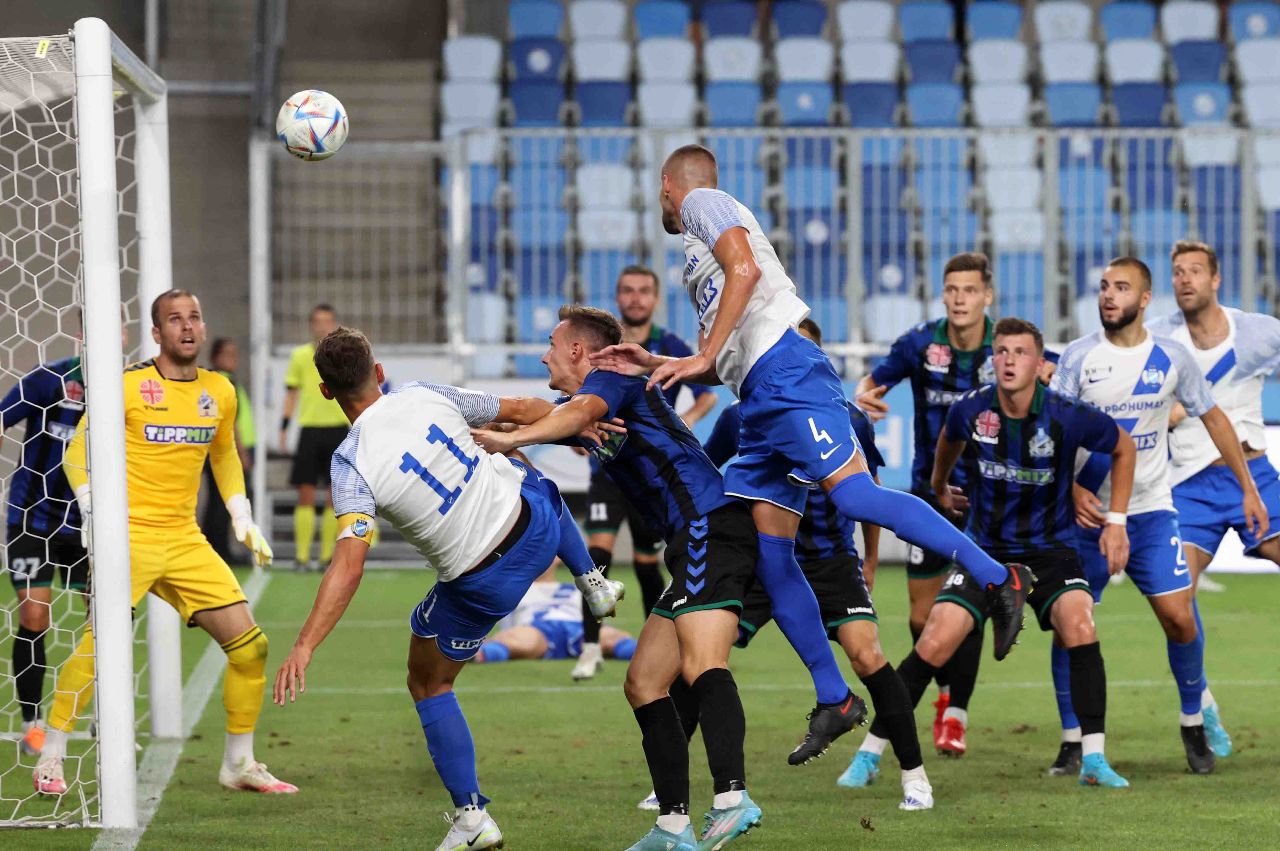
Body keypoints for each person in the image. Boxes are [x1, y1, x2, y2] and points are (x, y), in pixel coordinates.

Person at [590, 144, 1032, 765]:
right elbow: (730, 358)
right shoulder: (700, 253)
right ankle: (835, 697)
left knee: (853, 495)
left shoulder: (702, 204)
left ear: (669, 186)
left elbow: (744, 274)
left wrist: (695, 356)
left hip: (790, 378)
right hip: (761, 395)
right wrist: (662, 362)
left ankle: (999, 576)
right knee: (769, 551)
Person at [272, 326, 623, 851]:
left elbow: (348, 567)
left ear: (325, 392)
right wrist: (581, 423)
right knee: (520, 468)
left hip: (482, 583)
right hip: (537, 527)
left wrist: (304, 644)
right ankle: (591, 579)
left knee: (428, 683)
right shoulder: (421, 392)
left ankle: (471, 816)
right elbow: (523, 408)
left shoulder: (349, 463)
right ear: (379, 372)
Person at [471, 306, 767, 851]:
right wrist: (475, 426)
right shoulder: (592, 409)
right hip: (694, 541)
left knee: (704, 663)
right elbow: (542, 412)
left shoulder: (611, 381)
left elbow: (568, 413)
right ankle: (674, 827)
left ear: (579, 351)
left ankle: (731, 798)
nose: (544, 354)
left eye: (553, 344)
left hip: (709, 529)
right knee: (644, 684)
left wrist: (515, 442)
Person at [852, 318, 1135, 788]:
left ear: (1040, 363)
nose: (1007, 360)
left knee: (1080, 623)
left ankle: (1094, 759)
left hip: (1050, 550)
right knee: (934, 641)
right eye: (1001, 351)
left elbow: (1123, 447)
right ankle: (869, 753)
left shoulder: (1065, 413)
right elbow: (948, 440)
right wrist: (940, 486)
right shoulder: (971, 409)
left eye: (1020, 353)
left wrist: (1118, 522)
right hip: (987, 554)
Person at [36, 290, 287, 796]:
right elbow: (78, 450)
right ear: (157, 333)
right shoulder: (127, 385)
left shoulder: (220, 389)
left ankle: (239, 764)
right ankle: (52, 753)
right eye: (175, 319)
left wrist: (241, 515)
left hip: (184, 540)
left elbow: (224, 457)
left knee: (251, 648)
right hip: (127, 537)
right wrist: (90, 512)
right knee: (101, 643)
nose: (188, 327)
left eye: (194, 316)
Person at [705, 318, 933, 811]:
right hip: (767, 562)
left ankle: (914, 775)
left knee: (868, 656)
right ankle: (667, 784)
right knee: (703, 652)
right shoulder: (740, 416)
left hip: (830, 562)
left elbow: (868, 492)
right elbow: (708, 474)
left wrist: (870, 561)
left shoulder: (850, 419)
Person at [1051, 257, 1268, 775]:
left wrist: (1248, 487)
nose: (1109, 295)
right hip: (1086, 516)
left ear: (1144, 300)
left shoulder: (1170, 357)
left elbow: (1213, 417)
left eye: (1121, 288)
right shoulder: (1079, 358)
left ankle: (1194, 719)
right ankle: (1072, 737)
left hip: (1150, 512)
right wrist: (1068, 493)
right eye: (1103, 286)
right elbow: (1051, 434)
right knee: (1071, 624)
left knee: (1178, 615)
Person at [854, 253, 1001, 755]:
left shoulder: (1005, 349)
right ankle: (944, 695)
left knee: (968, 605)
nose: (960, 298)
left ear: (987, 296)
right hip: (929, 495)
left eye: (970, 290)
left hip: (986, 497)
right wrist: (864, 397)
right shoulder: (921, 343)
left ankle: (954, 714)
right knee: (922, 619)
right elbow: (870, 384)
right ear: (943, 294)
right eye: (952, 289)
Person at [1146, 240, 1280, 758]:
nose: (1185, 279)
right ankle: (1201, 703)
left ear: (1216, 280)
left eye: (1195, 271)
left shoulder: (1258, 331)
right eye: (1177, 271)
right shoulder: (1159, 337)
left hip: (1254, 475)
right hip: (1188, 486)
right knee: (1176, 606)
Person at [575, 264, 717, 682]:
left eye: (643, 291)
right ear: (618, 298)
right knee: (594, 557)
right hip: (609, 471)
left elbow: (707, 395)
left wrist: (683, 423)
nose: (636, 298)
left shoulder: (668, 346)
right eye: (628, 291)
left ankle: (665, 643)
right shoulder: (604, 348)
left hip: (651, 478)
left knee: (645, 562)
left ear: (655, 299)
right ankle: (588, 648)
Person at [1, 321, 96, 757]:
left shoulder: (126, 389)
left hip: (87, 523)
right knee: (36, 616)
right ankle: (32, 724)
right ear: (83, 333)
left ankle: (101, 719)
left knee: (103, 621)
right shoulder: (50, 379)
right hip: (31, 518)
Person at [280, 304, 346, 571]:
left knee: (335, 496)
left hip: (338, 429)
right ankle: (302, 557)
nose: (323, 326)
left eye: (328, 321)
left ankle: (326, 557)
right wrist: (283, 428)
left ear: (335, 323)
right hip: (310, 430)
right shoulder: (299, 356)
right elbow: (291, 393)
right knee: (305, 494)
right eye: (318, 321)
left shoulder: (343, 355)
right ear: (311, 324)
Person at [473, 566, 636, 665]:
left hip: (580, 627)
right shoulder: (514, 590)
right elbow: (506, 628)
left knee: (611, 637)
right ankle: (479, 655)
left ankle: (652, 656)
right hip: (538, 629)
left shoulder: (577, 588)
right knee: (522, 641)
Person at [200, 338, 255, 562]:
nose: (232, 358)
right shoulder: (222, 383)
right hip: (226, 452)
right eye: (227, 354)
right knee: (222, 503)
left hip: (227, 450)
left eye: (235, 353)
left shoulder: (226, 380)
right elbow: (229, 422)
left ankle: (220, 549)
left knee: (218, 502)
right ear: (215, 357)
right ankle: (219, 550)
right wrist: (241, 454)